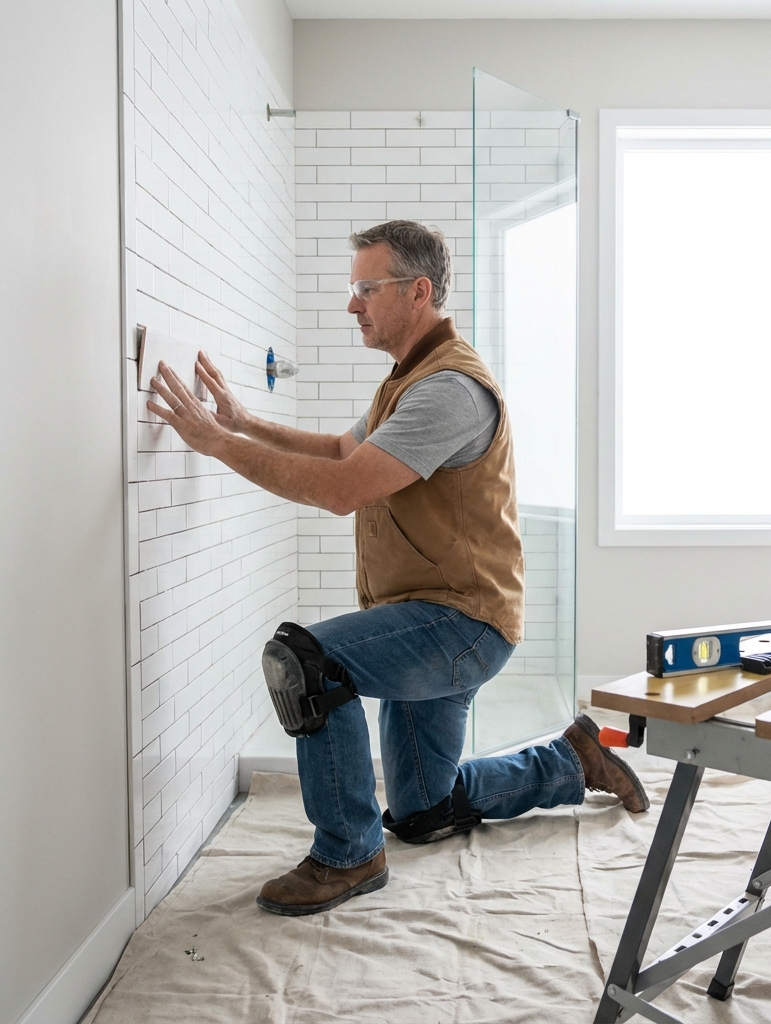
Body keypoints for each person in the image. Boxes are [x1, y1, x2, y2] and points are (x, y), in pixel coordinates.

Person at [147, 220, 648, 917]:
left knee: (305, 661)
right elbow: (339, 452)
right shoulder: (407, 382)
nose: (352, 304)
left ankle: (347, 855)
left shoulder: (449, 390)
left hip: (461, 624)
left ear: (418, 291)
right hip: (429, 614)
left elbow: (340, 489)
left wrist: (215, 444)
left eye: (366, 288)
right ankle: (571, 760)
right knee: (422, 810)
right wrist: (239, 421)